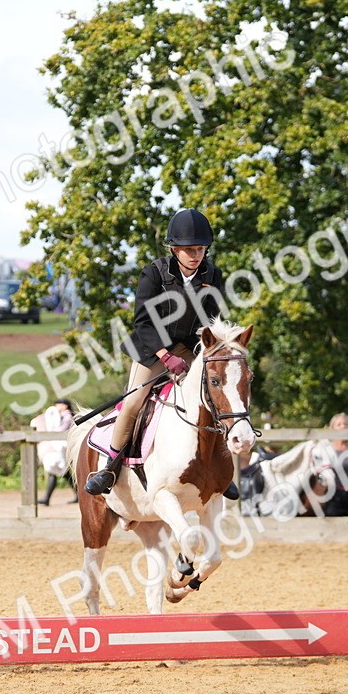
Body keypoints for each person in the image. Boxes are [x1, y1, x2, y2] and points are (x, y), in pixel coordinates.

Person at [85, 208, 225, 495]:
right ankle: (110, 466)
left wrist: (206, 351)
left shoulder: (213, 275)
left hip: (190, 347)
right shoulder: (154, 273)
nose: (195, 255)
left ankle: (221, 466)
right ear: (174, 249)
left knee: (217, 393)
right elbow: (143, 322)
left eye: (200, 249)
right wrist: (165, 356)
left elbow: (212, 319)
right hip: (152, 348)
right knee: (135, 401)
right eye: (189, 250)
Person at [313, 413, 348, 517]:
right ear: (332, 428)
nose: (343, 426)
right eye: (339, 424)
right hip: (333, 497)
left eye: (346, 424)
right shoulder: (326, 451)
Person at [33, 399, 77, 505]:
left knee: (61, 472)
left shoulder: (67, 416)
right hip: (59, 448)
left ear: (65, 406)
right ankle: (48, 497)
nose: (57, 406)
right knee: (63, 472)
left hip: (62, 448)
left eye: (59, 404)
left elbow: (62, 429)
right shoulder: (61, 416)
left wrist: (49, 434)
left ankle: (47, 498)